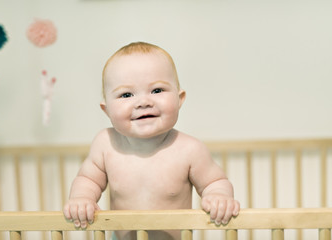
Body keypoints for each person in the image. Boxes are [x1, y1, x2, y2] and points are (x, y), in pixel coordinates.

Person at [63, 42, 240, 240]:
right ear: (107, 110)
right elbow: (88, 179)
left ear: (179, 98)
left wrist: (218, 197)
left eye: (157, 90)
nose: (143, 102)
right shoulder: (106, 144)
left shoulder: (189, 149)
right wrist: (81, 199)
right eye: (126, 94)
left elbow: (214, 182)